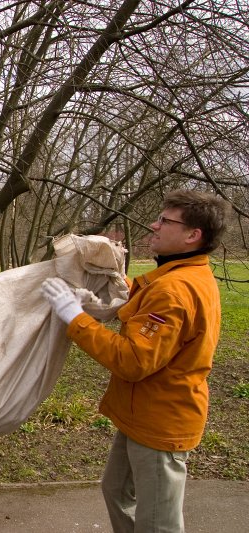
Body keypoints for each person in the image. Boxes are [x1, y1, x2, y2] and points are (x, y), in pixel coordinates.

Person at [40, 189, 229, 533]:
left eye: (165, 221)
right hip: (141, 415)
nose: (154, 225)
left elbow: (132, 360)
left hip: (160, 424)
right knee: (116, 491)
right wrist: (107, 289)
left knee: (159, 523)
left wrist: (74, 318)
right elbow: (146, 316)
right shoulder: (177, 277)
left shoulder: (175, 289)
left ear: (192, 235)